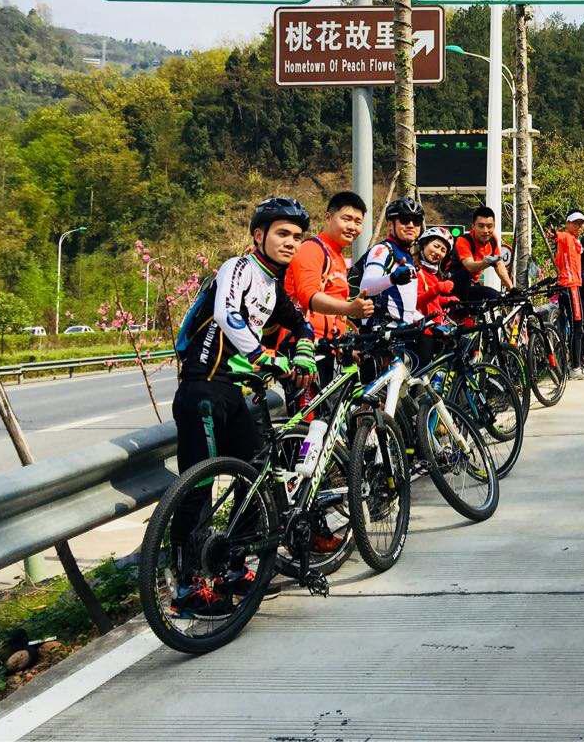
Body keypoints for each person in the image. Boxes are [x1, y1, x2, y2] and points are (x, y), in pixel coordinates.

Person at [170, 196, 318, 614]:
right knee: (198, 488)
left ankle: (234, 566)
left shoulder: (273, 286)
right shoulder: (238, 268)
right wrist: (263, 357)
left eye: (297, 237)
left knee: (257, 481)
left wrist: (304, 349)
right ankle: (187, 588)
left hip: (233, 393)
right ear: (259, 236)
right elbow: (226, 315)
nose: (291, 243)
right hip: (202, 389)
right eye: (282, 234)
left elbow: (299, 320)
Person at [282, 190, 375, 381]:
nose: (352, 227)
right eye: (346, 219)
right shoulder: (312, 249)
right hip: (301, 347)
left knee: (328, 410)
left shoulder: (338, 257)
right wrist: (350, 308)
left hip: (324, 347)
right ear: (328, 217)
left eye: (358, 222)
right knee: (309, 412)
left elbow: (332, 310)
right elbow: (308, 295)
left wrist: (340, 345)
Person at [351, 197, 422, 323]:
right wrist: (392, 278)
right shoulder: (383, 249)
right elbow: (366, 286)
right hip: (379, 331)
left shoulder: (407, 256)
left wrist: (427, 321)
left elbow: (402, 306)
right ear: (390, 225)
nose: (411, 225)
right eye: (405, 220)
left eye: (416, 221)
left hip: (402, 330)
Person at [553, 209, 584, 380]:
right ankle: (575, 367)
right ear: (567, 223)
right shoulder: (566, 237)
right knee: (578, 326)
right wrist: (554, 234)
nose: (578, 226)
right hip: (570, 286)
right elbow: (558, 236)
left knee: (570, 326)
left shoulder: (575, 240)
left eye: (581, 223)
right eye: (575, 222)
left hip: (568, 286)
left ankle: (570, 363)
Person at [450, 205, 514, 302]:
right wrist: (486, 262)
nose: (485, 231)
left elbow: (499, 264)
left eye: (489, 226)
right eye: (481, 226)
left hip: (472, 285)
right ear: (473, 226)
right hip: (454, 285)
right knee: (492, 296)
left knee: (499, 299)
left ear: (494, 226)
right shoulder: (463, 240)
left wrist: (512, 288)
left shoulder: (493, 240)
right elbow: (470, 266)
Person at [415, 226, 459, 324]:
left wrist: (447, 300)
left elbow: (432, 301)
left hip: (437, 327)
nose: (438, 252)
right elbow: (414, 303)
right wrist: (437, 288)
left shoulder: (434, 275)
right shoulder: (415, 271)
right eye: (436, 246)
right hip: (422, 330)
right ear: (424, 244)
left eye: (443, 250)